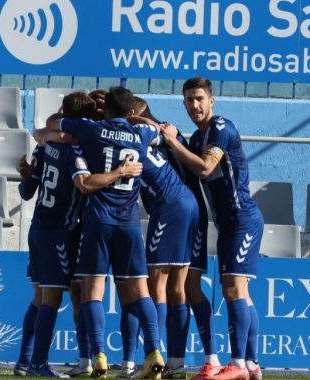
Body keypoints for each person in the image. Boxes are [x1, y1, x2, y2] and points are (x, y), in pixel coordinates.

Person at [16, 92, 143, 377]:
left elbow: (26, 192)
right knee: (54, 298)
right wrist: (120, 170)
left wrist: (25, 173)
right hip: (61, 230)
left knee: (43, 297)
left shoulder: (45, 146)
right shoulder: (78, 150)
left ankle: (29, 361)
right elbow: (85, 185)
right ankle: (38, 363)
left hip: (38, 228)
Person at [44, 87, 165, 379]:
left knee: (92, 292)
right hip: (129, 224)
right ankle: (154, 351)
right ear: (132, 112)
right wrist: (134, 122)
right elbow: (157, 130)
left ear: (104, 109)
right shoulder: (141, 135)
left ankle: (98, 355)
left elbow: (51, 123)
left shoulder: (91, 129)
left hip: (97, 220)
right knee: (140, 292)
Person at [160, 77, 263, 380]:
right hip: (228, 223)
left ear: (211, 100)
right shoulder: (197, 137)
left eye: (200, 99)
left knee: (233, 290)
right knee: (242, 293)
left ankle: (238, 364)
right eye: (190, 100)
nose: (195, 105)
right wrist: (176, 139)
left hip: (243, 218)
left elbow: (204, 168)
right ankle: (253, 364)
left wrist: (173, 143)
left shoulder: (221, 128)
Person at [115, 97, 199, 379]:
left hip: (169, 207)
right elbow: (153, 125)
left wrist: (132, 118)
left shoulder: (133, 135)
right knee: (177, 287)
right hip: (188, 203)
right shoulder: (155, 135)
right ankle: (176, 363)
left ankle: (155, 359)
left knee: (155, 285)